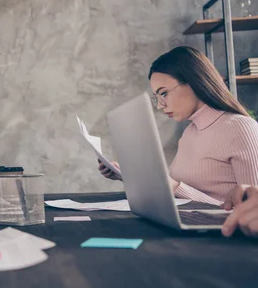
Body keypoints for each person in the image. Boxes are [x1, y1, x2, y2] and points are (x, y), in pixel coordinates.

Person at [99, 46, 258, 204]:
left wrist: (174, 186)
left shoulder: (242, 129)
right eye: (157, 97)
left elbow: (252, 214)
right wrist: (128, 176)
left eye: (164, 93)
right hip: (187, 225)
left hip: (218, 229)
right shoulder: (190, 132)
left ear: (194, 82)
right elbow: (172, 192)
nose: (160, 105)